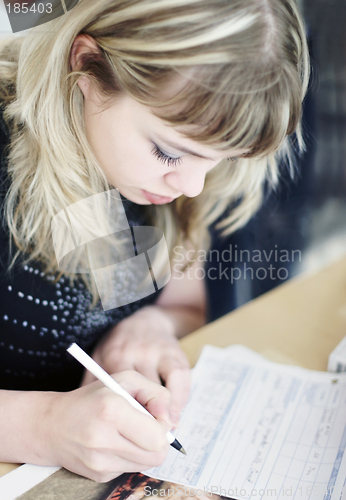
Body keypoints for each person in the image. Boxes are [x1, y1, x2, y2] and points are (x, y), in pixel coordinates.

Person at [0, 0, 309, 483]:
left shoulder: (145, 176)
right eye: (168, 152)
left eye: (220, 160)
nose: (192, 188)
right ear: (83, 65)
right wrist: (40, 426)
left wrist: (152, 323)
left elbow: (185, 303)